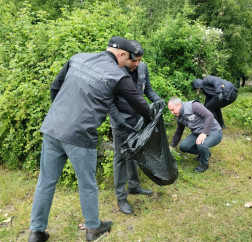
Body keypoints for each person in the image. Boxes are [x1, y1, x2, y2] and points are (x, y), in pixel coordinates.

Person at [28, 36, 152, 242]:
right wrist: (150, 120)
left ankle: (36, 232)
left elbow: (54, 88)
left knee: (45, 182)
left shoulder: (78, 58)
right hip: (80, 135)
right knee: (87, 183)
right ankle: (93, 228)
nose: (131, 64)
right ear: (121, 54)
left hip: (52, 128)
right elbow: (140, 103)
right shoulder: (117, 75)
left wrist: (62, 116)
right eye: (130, 59)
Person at [109, 40, 163, 215]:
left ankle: (134, 186)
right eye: (134, 61)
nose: (137, 64)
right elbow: (108, 101)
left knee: (135, 153)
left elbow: (148, 90)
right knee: (120, 158)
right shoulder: (114, 70)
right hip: (120, 122)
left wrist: (158, 100)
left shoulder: (143, 68)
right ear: (126, 57)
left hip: (138, 120)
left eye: (140, 60)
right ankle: (121, 198)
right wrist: (118, 120)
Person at [168, 97, 222, 173]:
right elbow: (178, 132)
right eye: (170, 111)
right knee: (183, 146)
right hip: (197, 133)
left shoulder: (193, 105)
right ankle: (205, 153)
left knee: (202, 144)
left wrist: (204, 133)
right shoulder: (179, 117)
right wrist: (172, 146)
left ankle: (204, 164)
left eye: (172, 110)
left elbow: (209, 116)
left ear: (179, 105)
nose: (172, 113)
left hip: (214, 131)